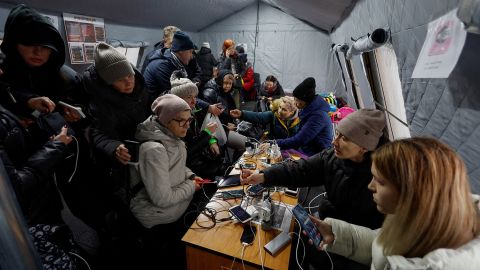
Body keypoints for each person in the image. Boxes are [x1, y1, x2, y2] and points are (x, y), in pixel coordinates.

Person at [241, 109, 387, 269]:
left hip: (356, 250)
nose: (334, 142)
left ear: (364, 148)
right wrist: (263, 176)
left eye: (344, 138)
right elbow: (301, 169)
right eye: (336, 133)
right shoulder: (333, 156)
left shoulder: (384, 180)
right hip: (326, 225)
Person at [309, 137, 480, 269]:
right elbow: (382, 246)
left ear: (413, 191)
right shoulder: (425, 218)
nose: (370, 186)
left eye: (380, 181)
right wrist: (336, 234)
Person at [129, 94, 203, 268]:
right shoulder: (154, 149)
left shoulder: (172, 137)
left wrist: (190, 175)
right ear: (166, 120)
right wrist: (191, 186)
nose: (187, 125)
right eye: (181, 121)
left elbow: (176, 166)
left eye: (189, 120)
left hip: (174, 207)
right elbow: (162, 199)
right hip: (158, 217)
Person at [0, 4, 84, 122]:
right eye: (30, 44)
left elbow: (85, 113)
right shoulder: (3, 72)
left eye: (46, 46)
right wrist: (27, 102)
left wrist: (66, 113)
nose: (38, 52)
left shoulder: (68, 77)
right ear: (14, 44)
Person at [169, 77, 224, 179]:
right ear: (179, 99)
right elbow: (187, 150)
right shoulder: (175, 120)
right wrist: (207, 134)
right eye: (189, 97)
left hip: (200, 156)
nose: (194, 101)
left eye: (195, 97)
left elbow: (203, 133)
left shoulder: (193, 110)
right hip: (189, 165)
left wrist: (211, 140)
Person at [276, 77, 332, 156]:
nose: (294, 102)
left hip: (317, 156)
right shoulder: (307, 111)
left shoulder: (318, 116)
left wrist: (275, 143)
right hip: (306, 150)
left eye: (296, 99)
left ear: (304, 100)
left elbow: (300, 140)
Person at [144, 31, 201, 104]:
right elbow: (180, 94)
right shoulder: (163, 66)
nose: (191, 56)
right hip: (155, 109)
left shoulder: (175, 64)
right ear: (181, 51)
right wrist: (207, 107)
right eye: (190, 52)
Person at [230, 96, 299, 140]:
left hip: (291, 149)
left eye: (284, 110)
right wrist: (242, 114)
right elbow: (258, 116)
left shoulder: (300, 121)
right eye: (280, 107)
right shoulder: (273, 115)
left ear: (292, 112)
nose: (280, 111)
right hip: (274, 145)